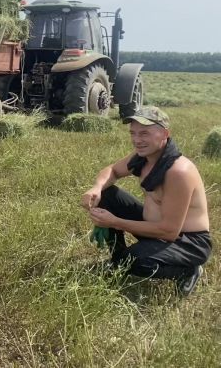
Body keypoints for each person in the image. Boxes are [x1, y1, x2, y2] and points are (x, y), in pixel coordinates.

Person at [81, 106, 212, 295]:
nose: (136, 140)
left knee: (135, 261)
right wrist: (97, 187)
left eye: (144, 133)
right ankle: (118, 261)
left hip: (188, 241)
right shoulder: (144, 156)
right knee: (107, 194)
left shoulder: (178, 172)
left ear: (165, 134)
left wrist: (115, 222)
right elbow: (113, 170)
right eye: (133, 133)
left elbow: (169, 231)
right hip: (157, 227)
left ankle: (187, 270)